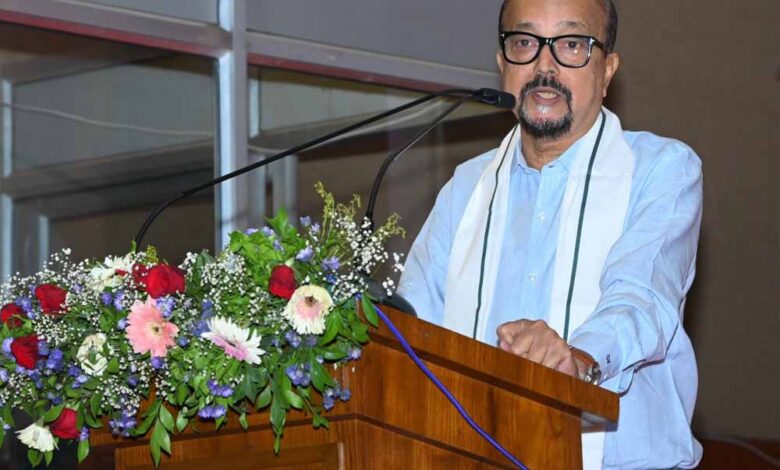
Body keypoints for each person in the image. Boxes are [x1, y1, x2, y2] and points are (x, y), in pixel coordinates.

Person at [397, 0, 703, 468]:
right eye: (525, 43)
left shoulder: (660, 170)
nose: (545, 66)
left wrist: (577, 361)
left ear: (607, 70)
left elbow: (641, 297)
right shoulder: (466, 187)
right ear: (502, 65)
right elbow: (413, 327)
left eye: (572, 44)